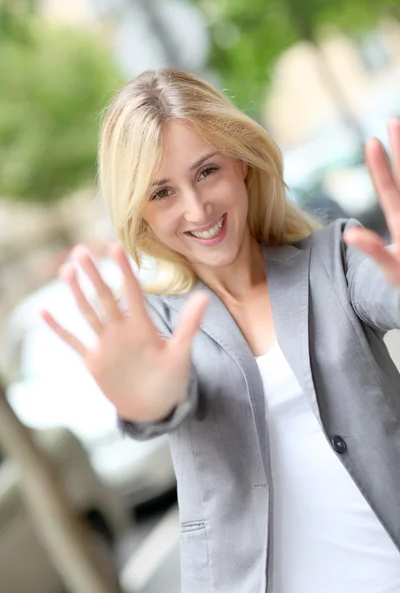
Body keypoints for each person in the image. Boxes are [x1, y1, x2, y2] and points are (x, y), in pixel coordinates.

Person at [42, 69, 400, 593]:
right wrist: (148, 404)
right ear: (140, 214)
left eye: (207, 171)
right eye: (162, 191)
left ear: (242, 163)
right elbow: (163, 397)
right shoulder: (160, 328)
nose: (196, 208)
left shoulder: (335, 260)